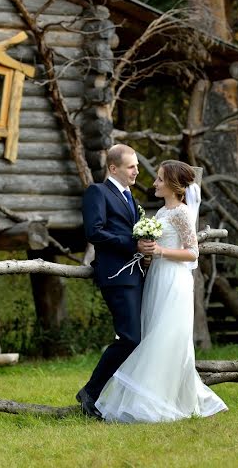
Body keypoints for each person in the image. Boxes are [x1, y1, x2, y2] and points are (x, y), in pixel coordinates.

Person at [94, 160, 228, 423]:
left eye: (159, 179)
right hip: (156, 278)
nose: (154, 183)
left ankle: (153, 401)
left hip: (174, 280)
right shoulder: (161, 213)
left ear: (173, 184)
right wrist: (146, 254)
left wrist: (161, 251)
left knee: (164, 337)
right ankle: (150, 397)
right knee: (151, 332)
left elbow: (192, 252)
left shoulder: (181, 213)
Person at [76, 144, 154, 419]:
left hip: (136, 274)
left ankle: (125, 398)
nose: (136, 171)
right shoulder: (98, 192)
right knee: (130, 337)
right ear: (113, 168)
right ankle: (90, 392)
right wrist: (133, 245)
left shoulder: (130, 196)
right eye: (131, 166)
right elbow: (94, 232)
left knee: (141, 337)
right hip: (116, 275)